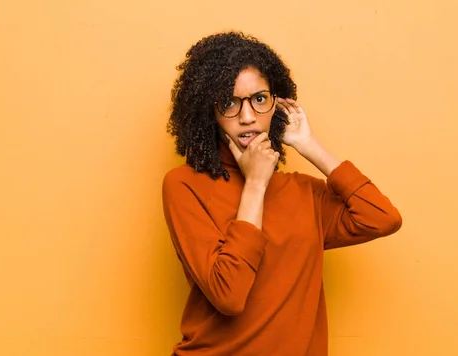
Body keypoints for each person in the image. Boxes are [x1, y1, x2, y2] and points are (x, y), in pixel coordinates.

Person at [162, 31, 402, 356]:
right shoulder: (184, 186)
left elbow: (382, 218)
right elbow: (229, 295)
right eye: (230, 102)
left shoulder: (304, 193)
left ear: (277, 104)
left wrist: (308, 144)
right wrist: (255, 183)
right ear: (210, 110)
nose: (247, 117)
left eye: (259, 99)